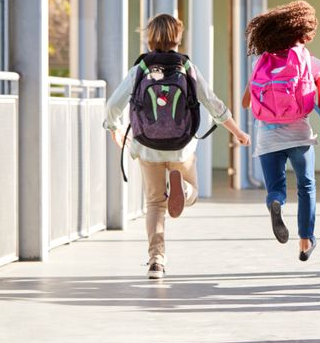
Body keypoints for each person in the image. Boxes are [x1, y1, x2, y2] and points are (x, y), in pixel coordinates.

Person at [104, 14, 251, 280]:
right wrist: (238, 132)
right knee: (191, 193)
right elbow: (212, 102)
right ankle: (182, 188)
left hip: (147, 146)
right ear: (178, 37)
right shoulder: (186, 66)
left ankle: (156, 261)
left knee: (154, 204)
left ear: (150, 37)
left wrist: (114, 128)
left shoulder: (141, 68)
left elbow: (114, 104)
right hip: (181, 147)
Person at [243, 0, 320, 262]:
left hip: (268, 137)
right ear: (301, 31)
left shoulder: (262, 61)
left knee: (276, 187)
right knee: (306, 186)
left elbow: (245, 102)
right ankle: (306, 240)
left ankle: (276, 202)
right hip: (299, 135)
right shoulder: (312, 62)